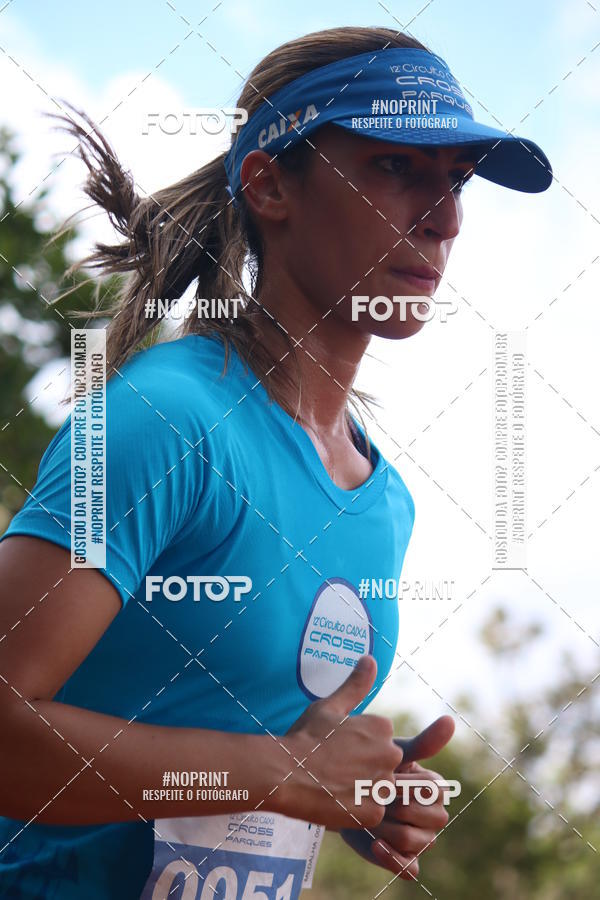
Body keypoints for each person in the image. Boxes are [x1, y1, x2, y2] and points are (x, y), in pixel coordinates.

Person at [0, 24, 552, 900]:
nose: (444, 218)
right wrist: (281, 774)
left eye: (454, 180)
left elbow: (260, 752)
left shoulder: (385, 500)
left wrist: (360, 799)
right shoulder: (161, 420)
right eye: (394, 167)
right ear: (268, 184)